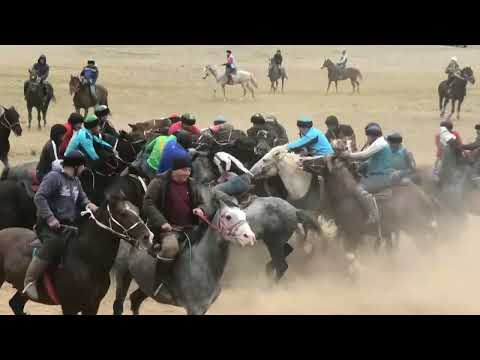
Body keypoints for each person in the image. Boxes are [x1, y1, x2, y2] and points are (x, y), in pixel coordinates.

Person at [23, 151, 98, 301]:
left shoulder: (76, 180)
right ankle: (29, 280)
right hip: (48, 225)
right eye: (82, 166)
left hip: (68, 225)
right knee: (54, 242)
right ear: (75, 166)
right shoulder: (54, 177)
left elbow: (82, 198)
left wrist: (90, 205)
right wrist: (50, 218)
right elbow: (39, 197)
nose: (84, 169)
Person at [142, 154, 214, 295]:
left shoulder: (192, 183)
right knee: (170, 248)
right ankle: (160, 280)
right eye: (183, 170)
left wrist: (201, 209)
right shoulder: (158, 182)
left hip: (190, 227)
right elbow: (148, 203)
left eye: (188, 170)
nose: (186, 173)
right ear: (174, 169)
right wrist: (162, 222)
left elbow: (203, 203)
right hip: (166, 229)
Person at [340, 123, 393, 224]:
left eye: (368, 137)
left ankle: (373, 215)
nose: (367, 139)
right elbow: (370, 161)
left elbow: (364, 155)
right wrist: (359, 166)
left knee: (358, 188)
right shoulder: (380, 143)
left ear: (372, 136)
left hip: (380, 177)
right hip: (376, 176)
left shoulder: (379, 143)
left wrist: (348, 155)